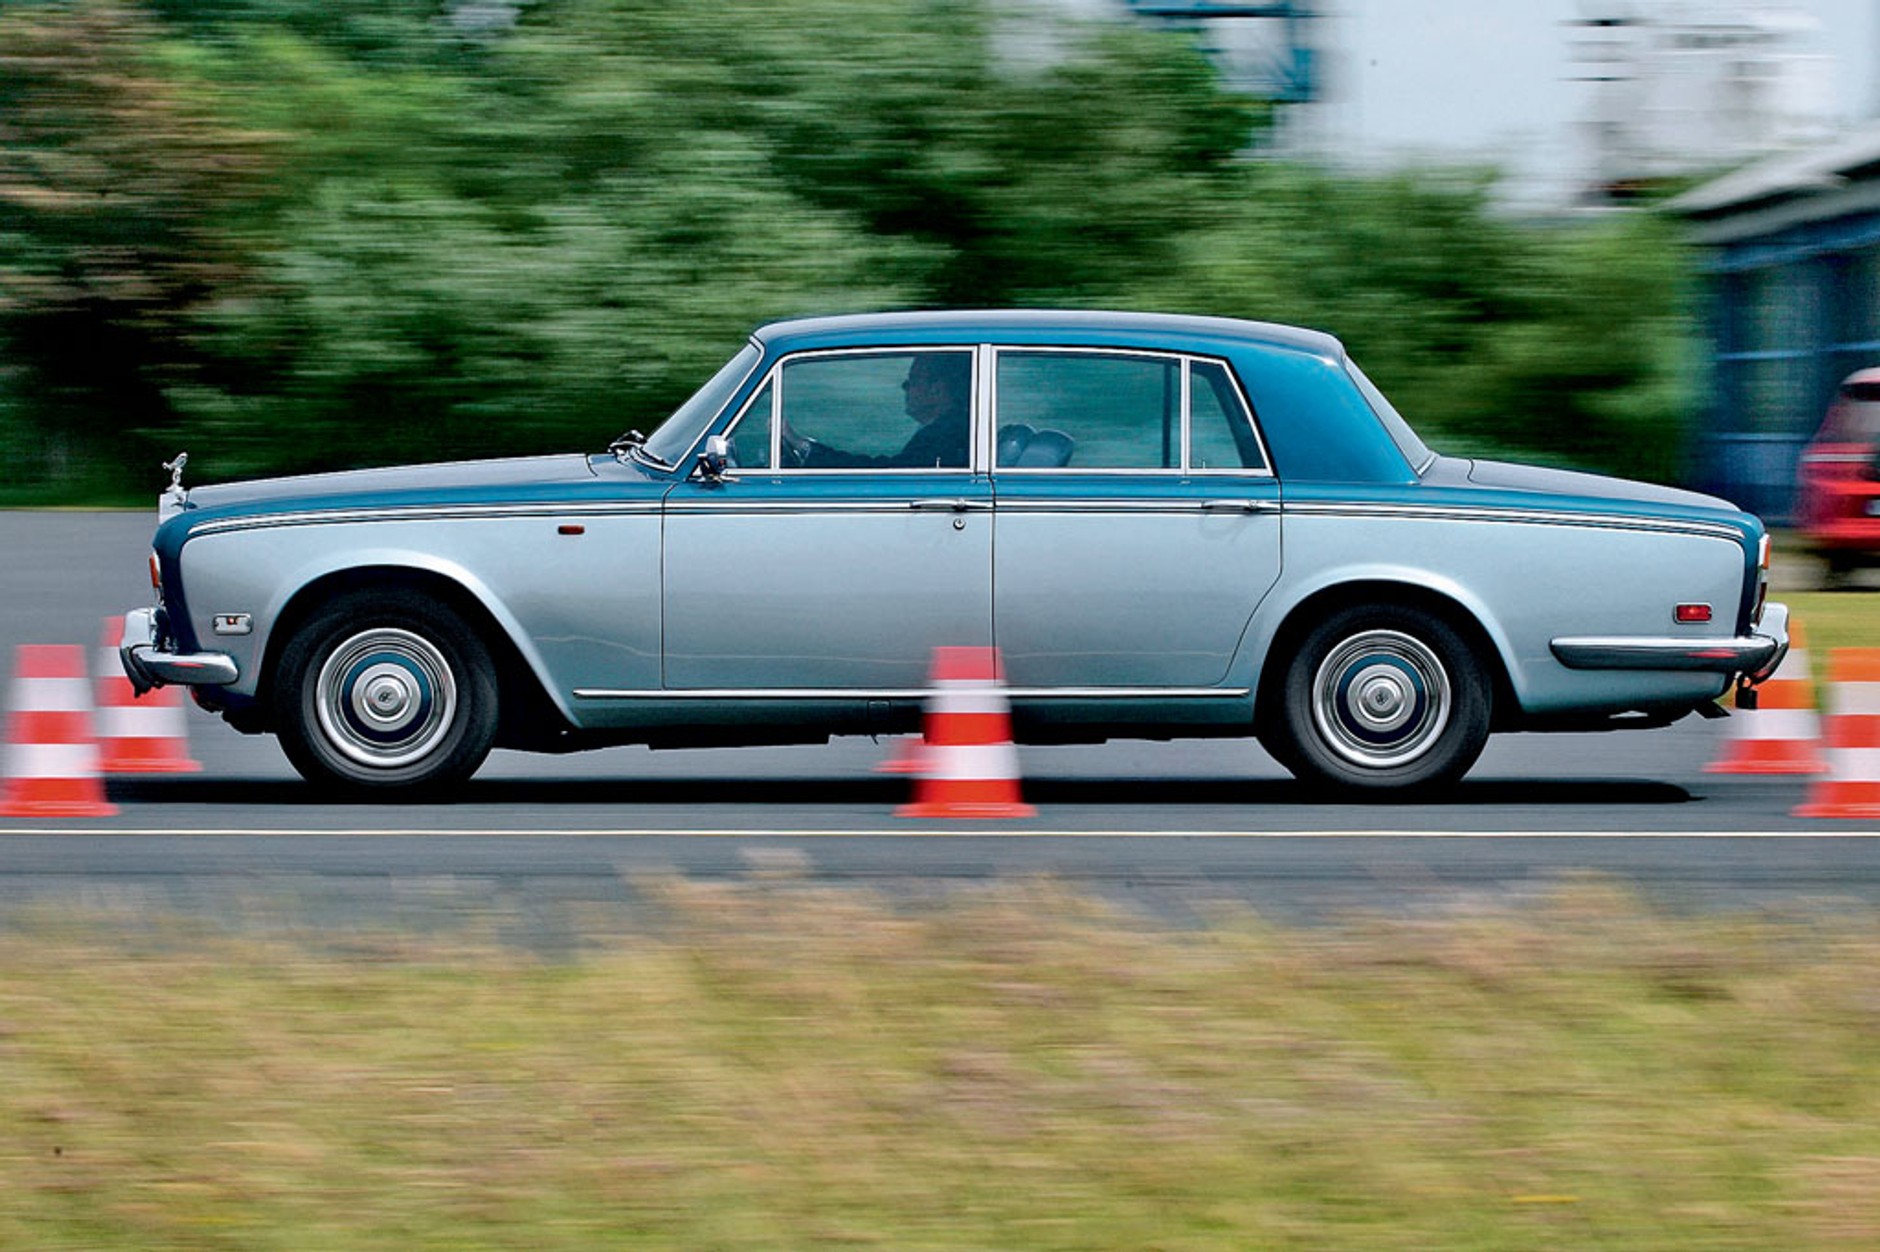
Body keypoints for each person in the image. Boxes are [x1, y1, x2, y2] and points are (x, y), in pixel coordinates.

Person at [784, 353, 971, 470]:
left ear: (936, 389)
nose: (905, 387)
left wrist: (805, 448)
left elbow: (888, 472)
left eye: (913, 380)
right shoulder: (948, 430)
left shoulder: (943, 436)